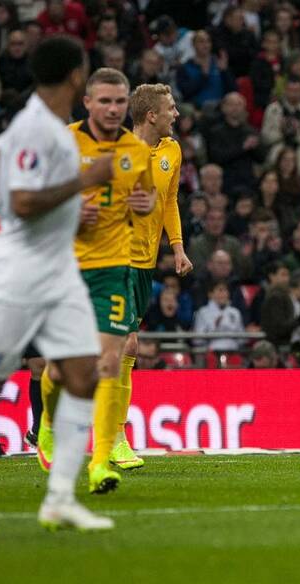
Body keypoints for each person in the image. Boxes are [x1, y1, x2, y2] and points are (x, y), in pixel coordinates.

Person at [0, 36, 115, 531]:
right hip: (20, 269)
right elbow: (20, 203)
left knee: (83, 372)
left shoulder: (47, 128)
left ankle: (59, 497)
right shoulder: (38, 129)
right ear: (75, 76)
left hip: (58, 268)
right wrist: (84, 183)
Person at [37, 67, 155, 495]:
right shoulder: (64, 142)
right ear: (87, 102)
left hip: (113, 270)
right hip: (65, 268)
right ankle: (47, 422)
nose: (112, 108)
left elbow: (147, 198)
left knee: (109, 362)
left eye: (120, 101)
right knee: (62, 368)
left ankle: (100, 460)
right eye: (104, 101)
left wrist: (145, 204)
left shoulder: (134, 150)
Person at [108, 82, 193, 472]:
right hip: (113, 259)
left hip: (145, 261)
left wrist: (176, 247)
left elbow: (170, 200)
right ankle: (114, 437)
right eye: (171, 108)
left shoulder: (172, 151)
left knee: (123, 348)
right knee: (126, 346)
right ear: (151, 115)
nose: (176, 114)